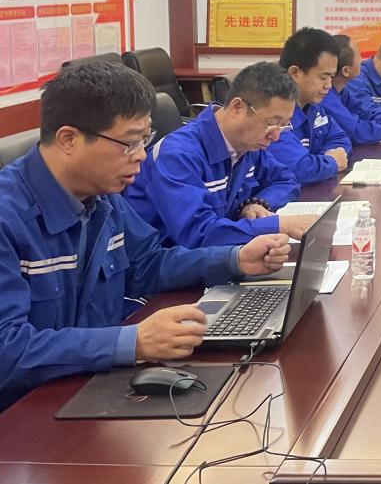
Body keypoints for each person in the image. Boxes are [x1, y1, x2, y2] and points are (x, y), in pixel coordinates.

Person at [0, 63, 289, 411]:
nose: (140, 154)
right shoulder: (9, 216)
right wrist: (132, 342)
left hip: (87, 386)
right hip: (23, 413)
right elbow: (7, 349)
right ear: (69, 140)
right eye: (129, 142)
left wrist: (234, 259)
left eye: (144, 139)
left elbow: (147, 264)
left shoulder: (102, 197)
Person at [125, 62, 317, 247]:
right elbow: (198, 234)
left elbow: (287, 180)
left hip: (220, 256)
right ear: (237, 107)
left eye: (283, 126)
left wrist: (255, 204)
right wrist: (276, 225)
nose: (275, 136)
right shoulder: (177, 155)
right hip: (167, 262)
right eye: (271, 124)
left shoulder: (248, 145)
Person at [270, 28, 352, 184]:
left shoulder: (313, 104)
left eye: (331, 77)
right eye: (323, 77)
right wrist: (331, 162)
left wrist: (323, 161)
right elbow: (299, 168)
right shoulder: (273, 112)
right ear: (295, 73)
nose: (329, 85)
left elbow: (340, 138)